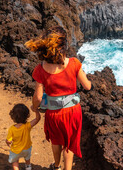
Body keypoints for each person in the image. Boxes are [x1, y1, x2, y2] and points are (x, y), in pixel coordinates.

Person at [25, 26, 92, 170]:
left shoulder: (40, 69)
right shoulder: (74, 63)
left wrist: (35, 107)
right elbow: (87, 86)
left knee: (56, 141)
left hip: (54, 114)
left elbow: (37, 96)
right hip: (73, 112)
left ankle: (56, 166)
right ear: (65, 46)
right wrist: (90, 81)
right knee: (69, 143)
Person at [6, 103, 41, 170]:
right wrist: (36, 111)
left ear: (13, 116)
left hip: (16, 150)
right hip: (26, 148)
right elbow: (37, 119)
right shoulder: (27, 126)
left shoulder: (12, 129)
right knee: (27, 159)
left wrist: (7, 143)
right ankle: (28, 167)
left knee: (15, 162)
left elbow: (9, 141)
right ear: (27, 116)